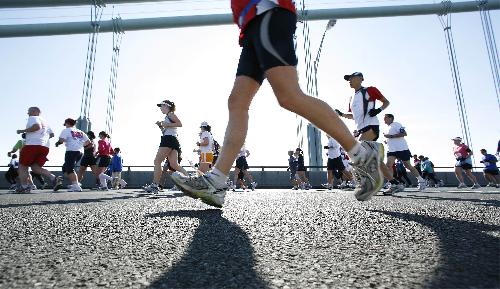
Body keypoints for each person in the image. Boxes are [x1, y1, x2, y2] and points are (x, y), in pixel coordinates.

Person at [171, 2, 384, 208]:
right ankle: (216, 182)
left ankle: (362, 156)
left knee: (289, 95)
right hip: (252, 22)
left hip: (268, 11)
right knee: (237, 102)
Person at [336, 74, 406, 195]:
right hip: (361, 129)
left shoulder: (370, 90)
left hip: (371, 127)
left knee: (357, 151)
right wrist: (341, 114)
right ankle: (395, 183)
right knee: (376, 159)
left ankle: (368, 184)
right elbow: (354, 116)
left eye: (351, 78)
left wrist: (378, 110)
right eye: (348, 80)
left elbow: (386, 102)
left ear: (361, 78)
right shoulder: (351, 98)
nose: (349, 81)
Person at [143, 100, 188, 194]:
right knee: (174, 165)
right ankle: (189, 179)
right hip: (173, 140)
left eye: (162, 106)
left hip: (168, 140)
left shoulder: (171, 114)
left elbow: (180, 124)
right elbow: (166, 131)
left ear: (167, 106)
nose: (160, 108)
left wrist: (166, 124)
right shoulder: (168, 116)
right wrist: (161, 126)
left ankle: (155, 185)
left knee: (157, 161)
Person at [15, 107, 62, 193]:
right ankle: (53, 178)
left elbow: (37, 126)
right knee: (35, 167)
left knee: (23, 166)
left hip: (32, 145)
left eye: (28, 112)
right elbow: (52, 134)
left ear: (34, 111)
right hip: (44, 147)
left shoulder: (33, 118)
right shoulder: (46, 122)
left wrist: (23, 131)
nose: (28, 114)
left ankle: (24, 187)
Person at [382, 114, 427, 192]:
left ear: (390, 118)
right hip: (391, 150)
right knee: (388, 165)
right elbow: (389, 137)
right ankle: (392, 183)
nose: (384, 119)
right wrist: (387, 140)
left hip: (401, 149)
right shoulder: (386, 128)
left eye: (385, 118)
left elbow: (404, 134)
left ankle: (421, 180)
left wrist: (391, 137)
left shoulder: (397, 124)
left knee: (408, 165)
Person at [55, 118, 91, 192]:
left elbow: (61, 140)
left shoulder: (66, 130)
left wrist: (58, 143)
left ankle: (76, 186)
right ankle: (75, 182)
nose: (65, 126)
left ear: (67, 123)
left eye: (65, 124)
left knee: (70, 169)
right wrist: (80, 145)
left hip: (71, 151)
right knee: (65, 168)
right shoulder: (80, 131)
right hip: (80, 152)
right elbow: (88, 142)